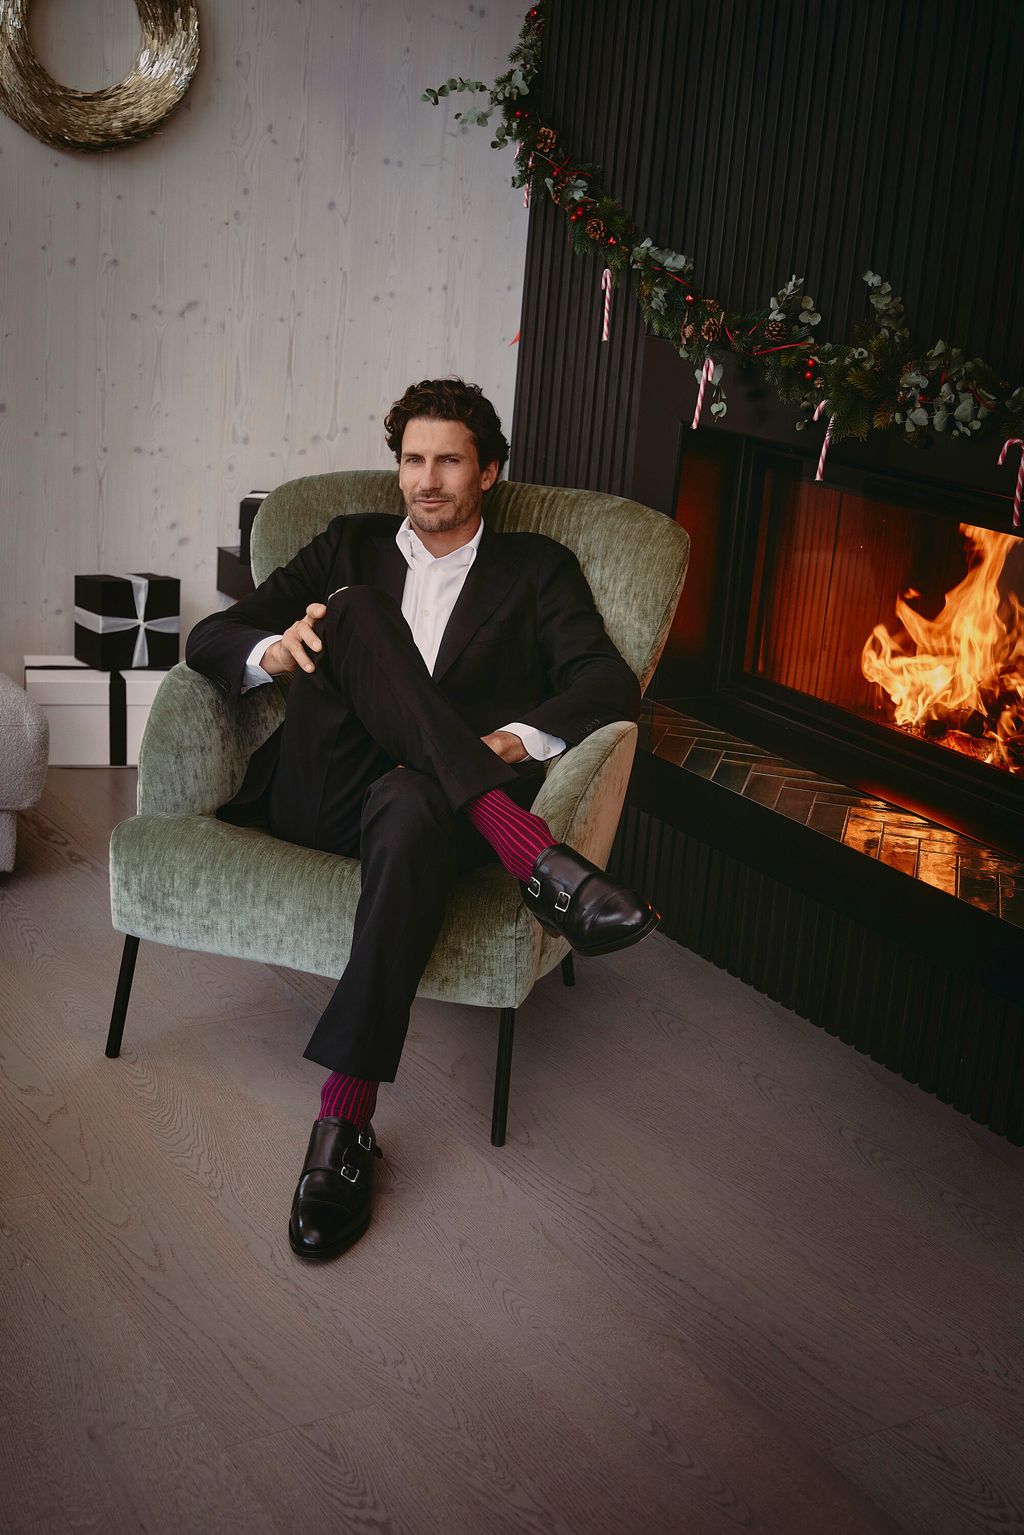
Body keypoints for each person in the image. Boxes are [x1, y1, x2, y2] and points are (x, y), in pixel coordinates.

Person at [186, 378, 658, 1263]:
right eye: (412, 459)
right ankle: (534, 856)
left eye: (448, 460)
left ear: (489, 472)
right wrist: (274, 650)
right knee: (356, 609)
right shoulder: (350, 544)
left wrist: (508, 742)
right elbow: (210, 636)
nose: (426, 479)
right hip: (321, 794)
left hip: (423, 817)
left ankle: (343, 1122)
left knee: (410, 797)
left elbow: (605, 681)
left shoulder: (537, 568)